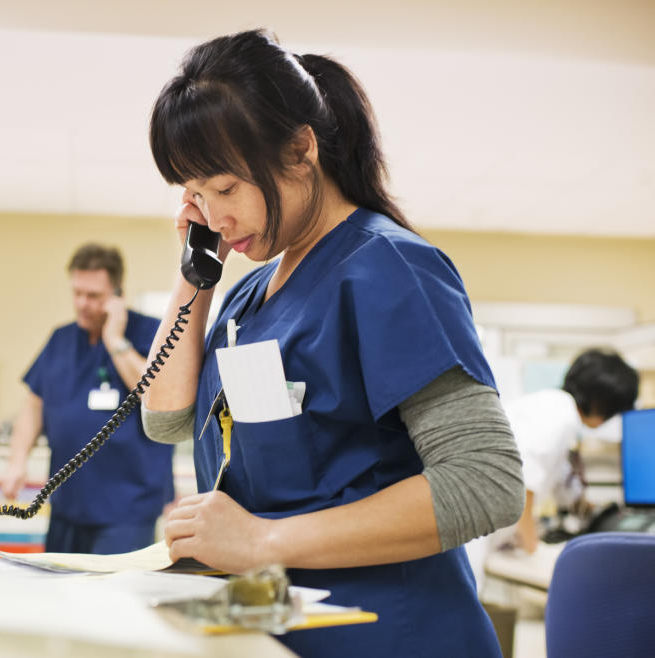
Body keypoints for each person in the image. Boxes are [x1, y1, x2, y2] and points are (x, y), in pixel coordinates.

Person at [139, 30, 525, 657]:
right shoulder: (249, 294)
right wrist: (195, 272)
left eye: (227, 189)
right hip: (282, 633)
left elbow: (485, 481)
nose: (215, 216)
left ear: (300, 150)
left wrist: (262, 540)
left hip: (392, 636)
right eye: (197, 196)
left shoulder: (388, 268)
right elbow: (167, 419)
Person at [0, 243, 174, 554]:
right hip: (68, 503)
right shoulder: (61, 339)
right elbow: (34, 404)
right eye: (77, 293)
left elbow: (157, 396)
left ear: (117, 294)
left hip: (127, 509)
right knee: (60, 596)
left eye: (93, 296)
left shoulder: (150, 332)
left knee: (111, 598)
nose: (82, 303)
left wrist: (115, 340)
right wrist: (17, 461)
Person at [468, 348, 639, 581]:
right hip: (473, 534)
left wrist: (591, 510)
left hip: (479, 527)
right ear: (605, 404)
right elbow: (522, 488)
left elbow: (559, 480)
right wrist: (534, 550)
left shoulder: (552, 407)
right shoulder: (559, 416)